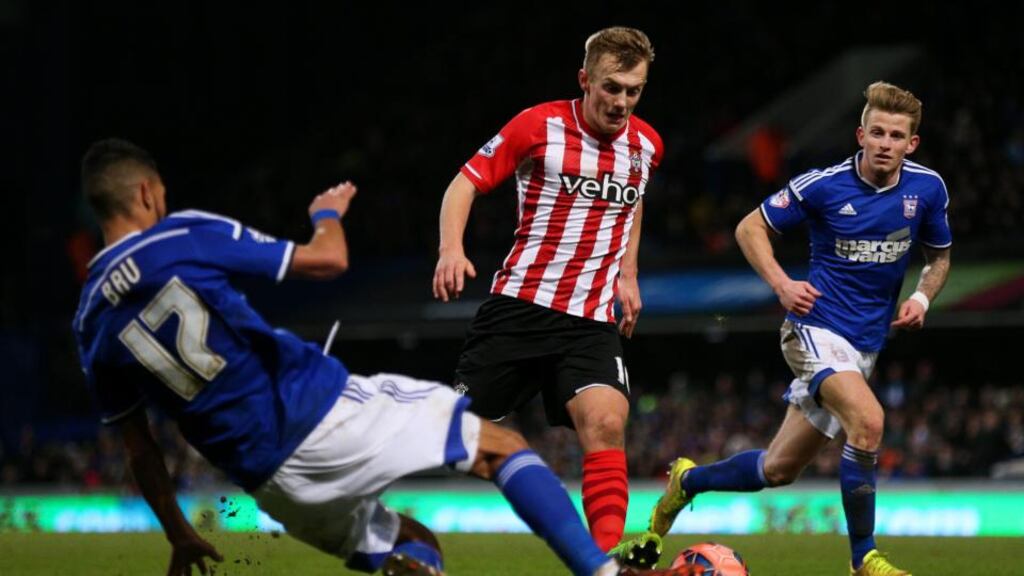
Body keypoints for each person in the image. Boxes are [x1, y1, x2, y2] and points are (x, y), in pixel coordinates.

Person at [72, 138, 697, 576]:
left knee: (412, 550)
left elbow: (140, 452)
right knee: (500, 447)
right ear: (150, 191)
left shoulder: (89, 322)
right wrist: (327, 215)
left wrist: (179, 532)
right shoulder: (180, 234)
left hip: (268, 482)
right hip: (316, 410)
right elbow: (326, 260)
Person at [621, 82, 952, 575]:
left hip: (864, 346)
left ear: (912, 144)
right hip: (813, 328)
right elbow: (748, 227)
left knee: (775, 470)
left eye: (896, 135)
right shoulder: (824, 184)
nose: (885, 143)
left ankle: (686, 484)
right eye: (877, 132)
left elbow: (939, 254)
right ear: (860, 135)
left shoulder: (928, 188)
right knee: (870, 421)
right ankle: (864, 559)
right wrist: (781, 283)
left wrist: (923, 295)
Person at [432, 26, 663, 556]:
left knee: (607, 422)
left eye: (634, 90)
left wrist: (627, 275)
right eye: (611, 87)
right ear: (585, 80)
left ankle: (603, 562)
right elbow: (464, 182)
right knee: (451, 440)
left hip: (590, 319)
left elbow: (634, 202)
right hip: (519, 307)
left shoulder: (647, 144)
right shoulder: (538, 125)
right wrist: (451, 248)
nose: (622, 102)